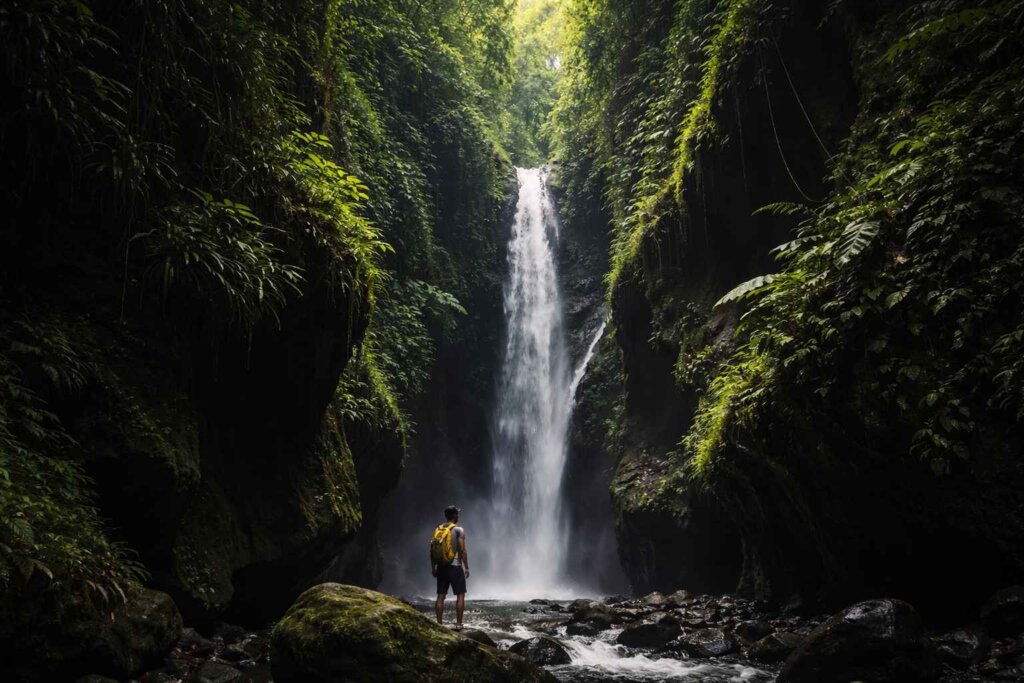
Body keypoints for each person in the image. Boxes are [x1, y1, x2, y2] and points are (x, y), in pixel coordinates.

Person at [432, 505, 469, 630]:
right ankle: (458, 624)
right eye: (457, 514)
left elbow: (432, 550)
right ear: (454, 516)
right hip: (455, 566)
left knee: (441, 596)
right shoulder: (459, 530)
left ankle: (439, 624)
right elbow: (462, 550)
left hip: (441, 566)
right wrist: (467, 567)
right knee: (460, 595)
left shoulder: (438, 529)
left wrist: (434, 567)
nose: (458, 516)